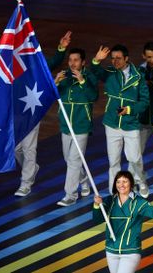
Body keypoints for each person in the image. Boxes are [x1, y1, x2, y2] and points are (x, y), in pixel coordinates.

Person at [0, 31, 72, 196]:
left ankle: (26, 183)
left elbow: (53, 62)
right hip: (13, 114)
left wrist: (61, 48)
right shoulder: (5, 65)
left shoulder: (34, 66)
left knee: (29, 149)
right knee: (15, 148)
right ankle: (31, 168)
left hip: (31, 112)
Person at [91, 44, 150, 198]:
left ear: (126, 59)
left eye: (118, 58)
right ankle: (115, 191)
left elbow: (144, 102)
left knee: (134, 158)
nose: (115, 61)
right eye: (113, 58)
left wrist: (129, 110)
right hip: (111, 123)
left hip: (130, 124)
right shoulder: (110, 73)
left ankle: (141, 181)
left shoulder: (138, 76)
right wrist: (97, 60)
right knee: (114, 161)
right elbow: (95, 72)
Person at [93, 171, 153, 273]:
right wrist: (97, 205)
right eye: (118, 182)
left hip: (130, 251)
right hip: (111, 249)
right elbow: (97, 219)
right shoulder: (109, 201)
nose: (121, 185)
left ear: (131, 184)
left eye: (125, 181)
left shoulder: (139, 202)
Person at [53, 48, 98, 206]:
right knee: (69, 159)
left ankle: (70, 195)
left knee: (73, 159)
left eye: (76, 60)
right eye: (70, 60)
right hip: (65, 126)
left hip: (81, 126)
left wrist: (82, 81)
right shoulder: (64, 75)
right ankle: (84, 182)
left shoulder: (89, 76)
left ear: (83, 62)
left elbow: (94, 96)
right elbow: (52, 95)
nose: (72, 63)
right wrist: (56, 82)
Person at [133, 42, 153, 185]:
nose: (152, 60)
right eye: (149, 57)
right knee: (136, 153)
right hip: (144, 120)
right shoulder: (138, 72)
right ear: (143, 56)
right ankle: (135, 180)